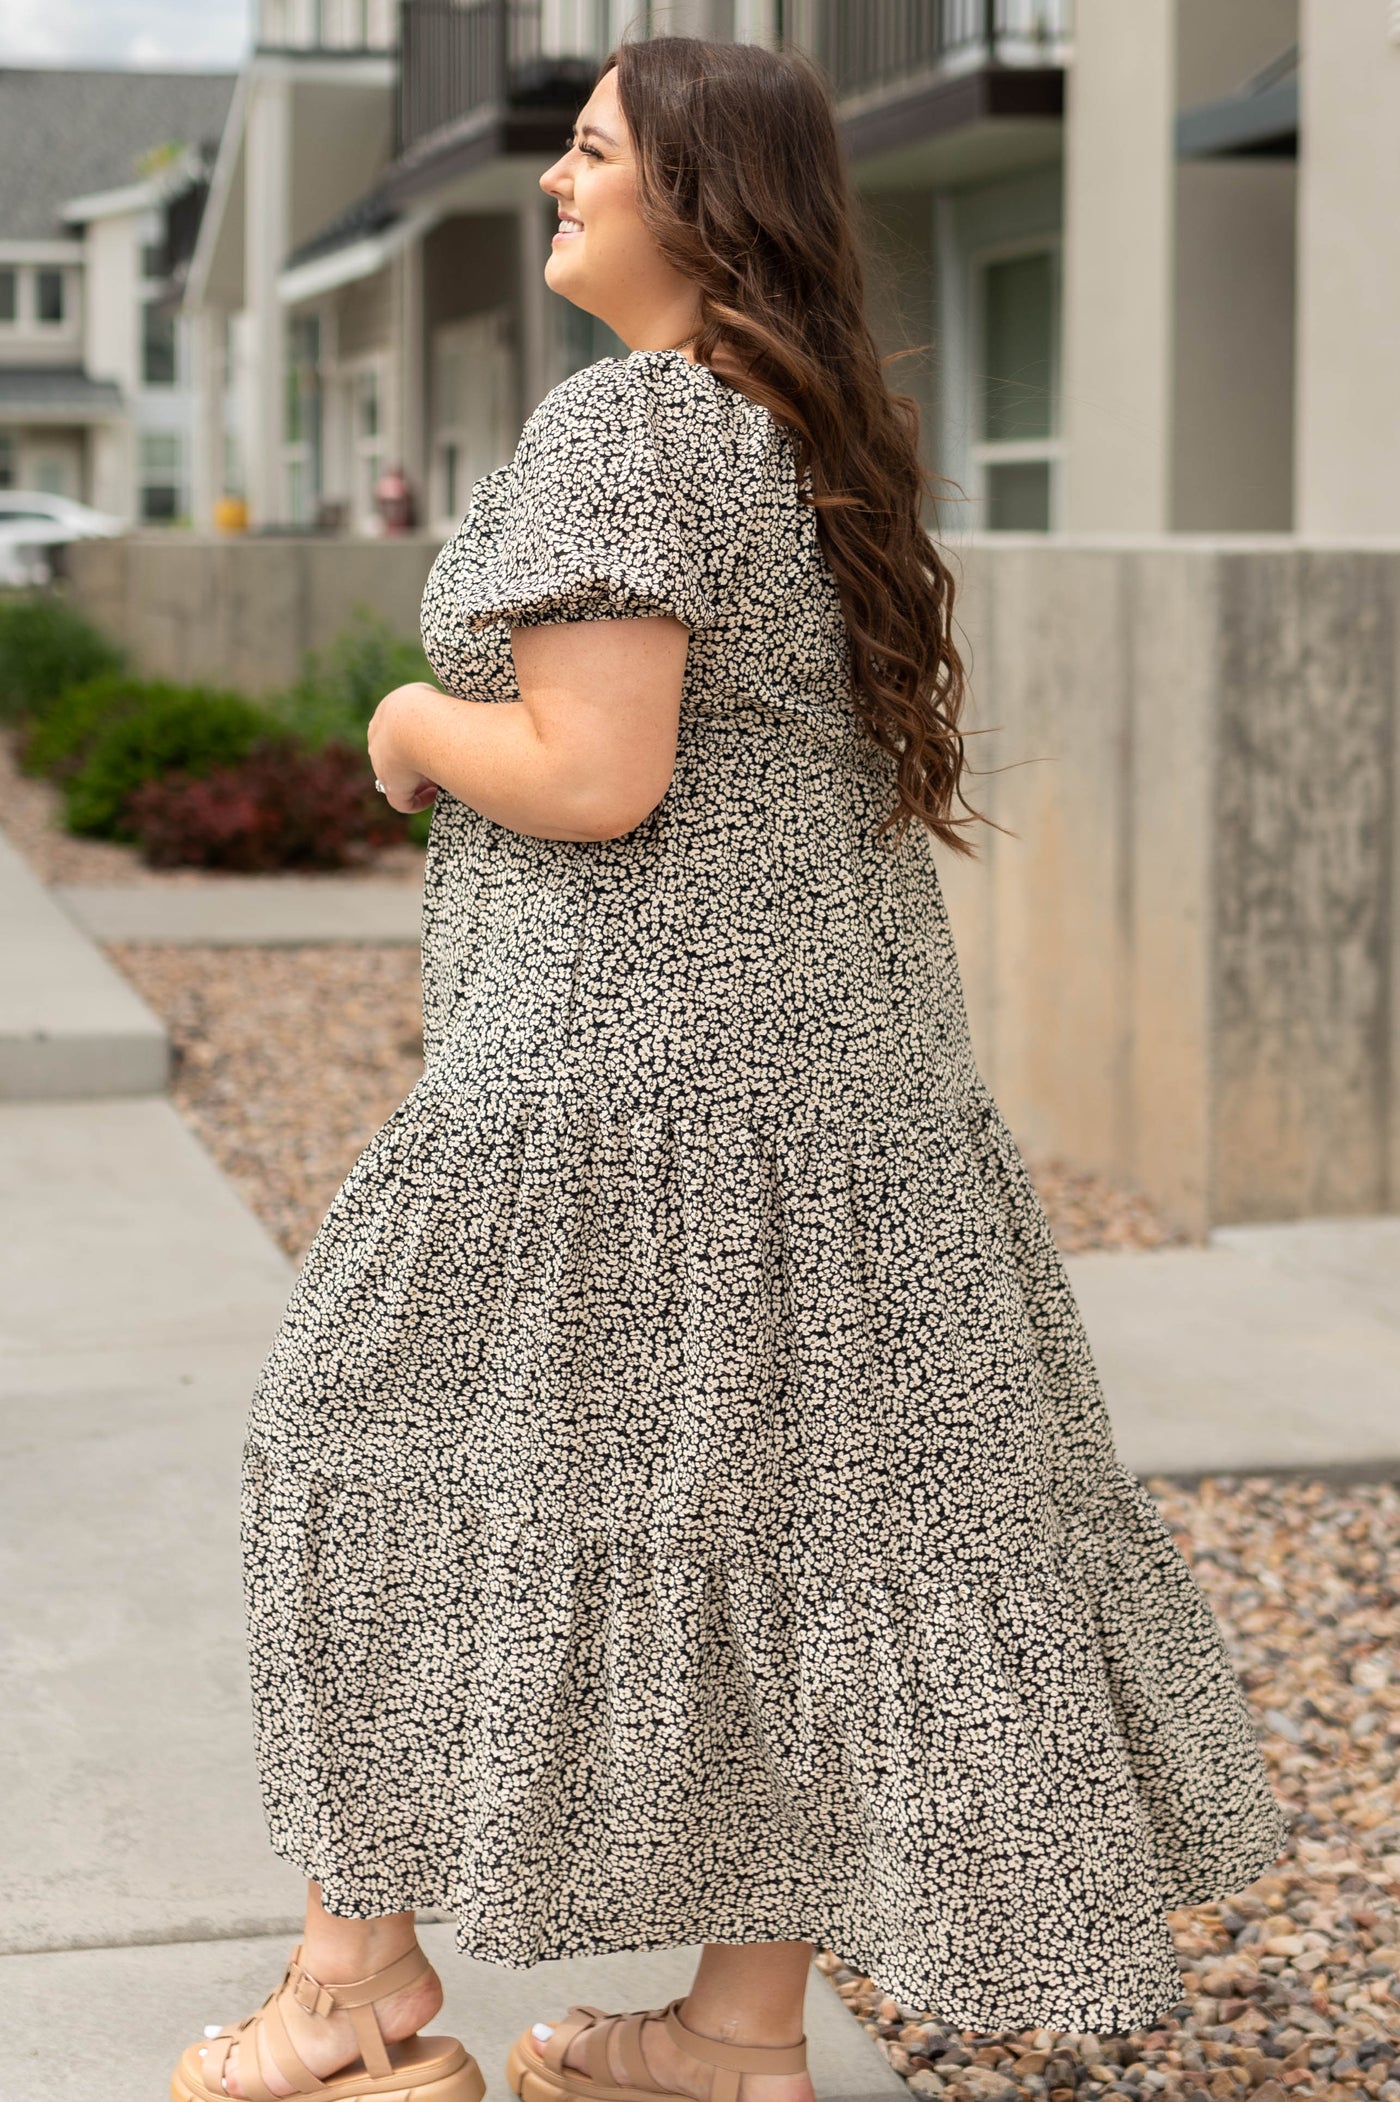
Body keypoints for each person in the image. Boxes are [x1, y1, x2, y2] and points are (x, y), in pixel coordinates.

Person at [174, 33, 1289, 2102]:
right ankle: (732, 2033)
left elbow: (595, 777)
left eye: (590, 152)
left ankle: (350, 1998)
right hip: (833, 1107)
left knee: (353, 1459)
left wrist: (413, 724)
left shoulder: (631, 430)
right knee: (793, 1529)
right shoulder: (805, 434)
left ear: (699, 190)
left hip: (613, 1101)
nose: (550, 185)